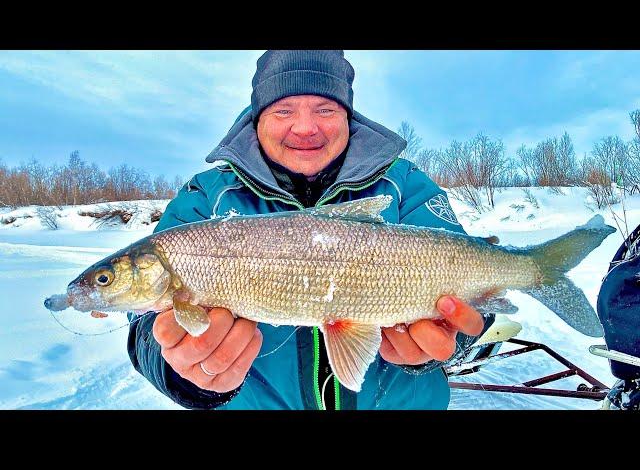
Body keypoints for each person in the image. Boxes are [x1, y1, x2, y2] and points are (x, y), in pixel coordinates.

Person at [127, 50, 491, 410]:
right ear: (257, 119)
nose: (304, 128)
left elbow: (482, 283)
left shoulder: (405, 184)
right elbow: (142, 324)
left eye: (325, 110)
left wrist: (448, 341)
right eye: (283, 110)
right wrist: (184, 372)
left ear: (348, 116)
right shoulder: (206, 197)